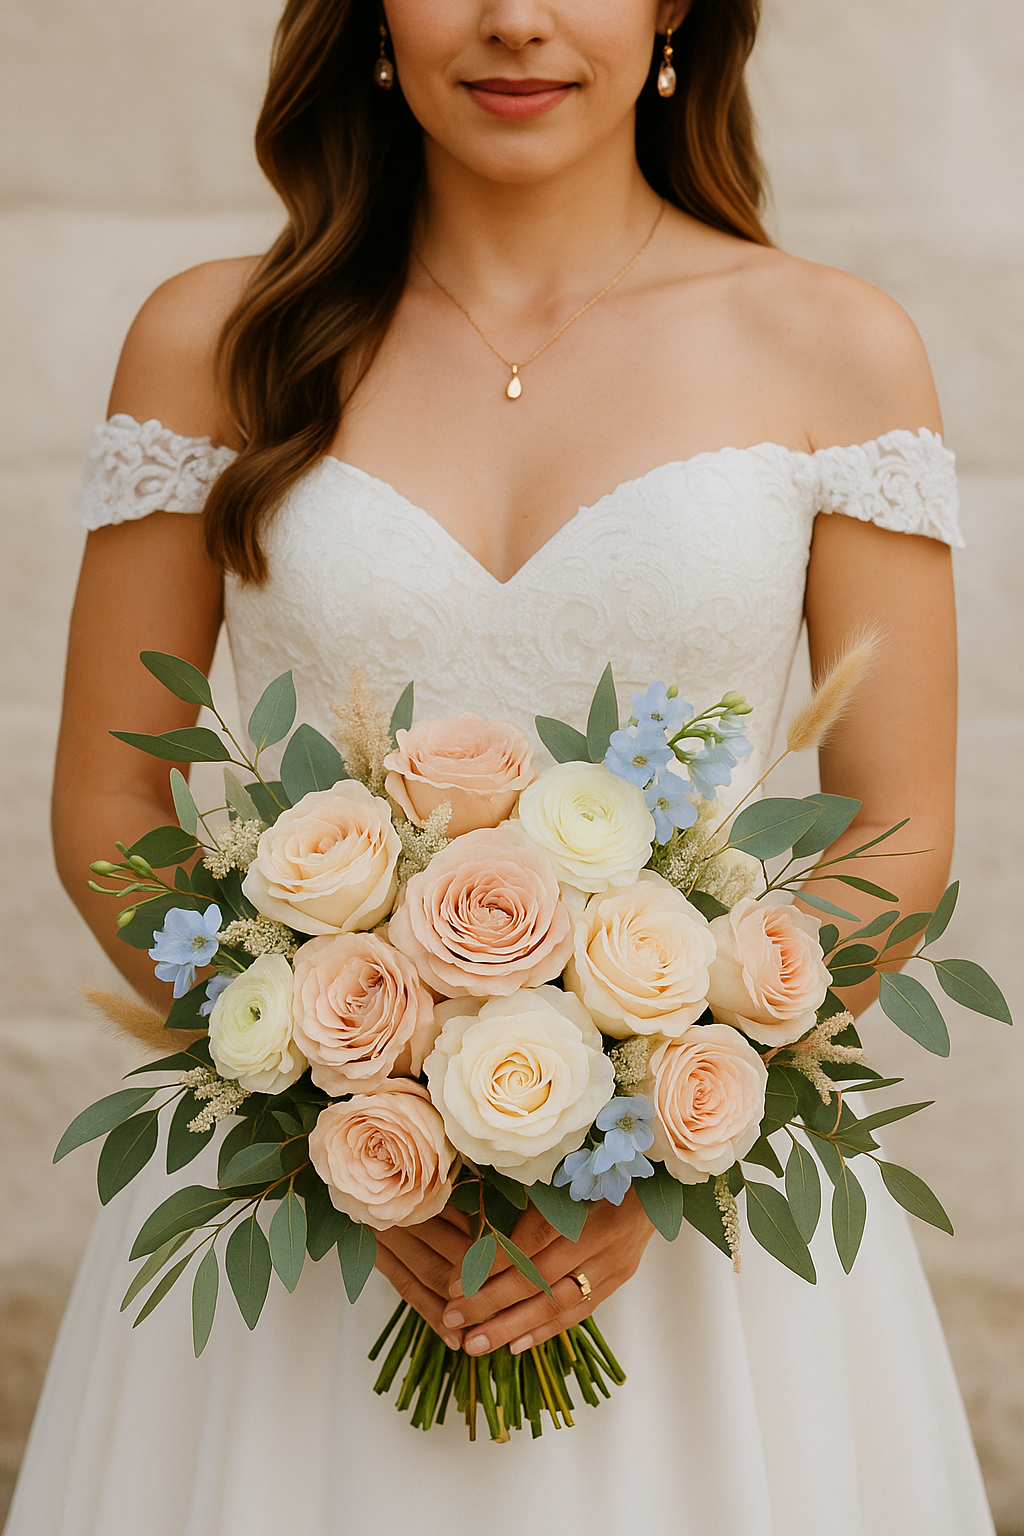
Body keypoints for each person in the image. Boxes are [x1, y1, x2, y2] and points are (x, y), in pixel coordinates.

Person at [5, 2, 995, 1533]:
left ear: (674, 8)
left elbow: (899, 824)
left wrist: (659, 1143)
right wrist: (332, 1118)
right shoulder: (212, 340)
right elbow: (108, 802)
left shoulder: (833, 345)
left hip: (698, 1232)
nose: (517, 20)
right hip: (310, 1220)